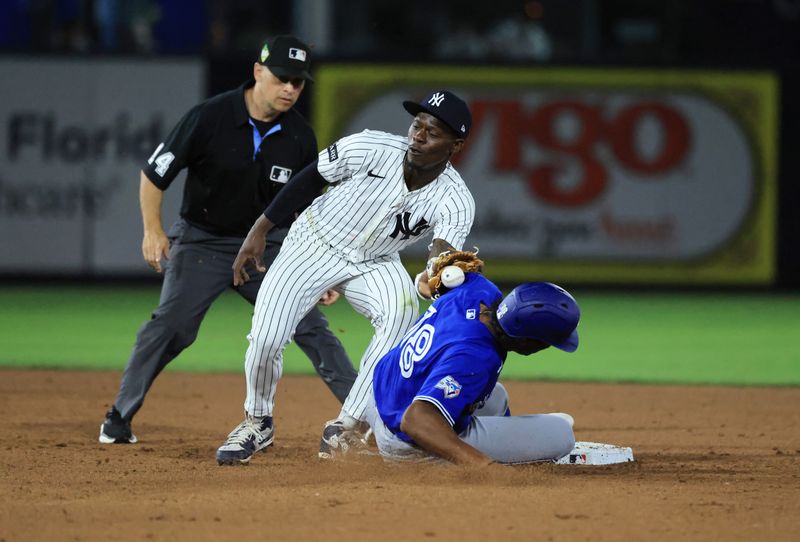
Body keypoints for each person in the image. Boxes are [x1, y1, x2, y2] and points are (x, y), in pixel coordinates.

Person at [99, 35, 357, 445]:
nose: (290, 88)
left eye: (298, 82)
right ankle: (119, 416)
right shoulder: (209, 117)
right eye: (282, 78)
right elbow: (154, 173)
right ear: (258, 72)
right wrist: (152, 229)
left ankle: (365, 417)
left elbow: (310, 211)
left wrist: (320, 269)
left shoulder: (300, 138)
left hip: (267, 249)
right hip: (204, 241)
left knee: (311, 326)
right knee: (173, 326)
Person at [215, 90, 476, 465]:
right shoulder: (370, 145)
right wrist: (260, 229)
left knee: (402, 315)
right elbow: (308, 180)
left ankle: (346, 426)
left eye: (432, 132)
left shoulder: (455, 198)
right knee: (267, 338)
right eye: (417, 125)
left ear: (457, 145)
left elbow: (442, 250)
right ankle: (257, 422)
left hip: (376, 260)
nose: (418, 136)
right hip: (315, 241)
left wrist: (435, 272)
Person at [365, 270, 580, 465]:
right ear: (528, 341)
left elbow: (442, 263)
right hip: (406, 443)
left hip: (381, 398)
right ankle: (495, 458)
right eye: (547, 342)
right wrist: (483, 466)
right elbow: (416, 420)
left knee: (497, 396)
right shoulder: (475, 357)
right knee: (561, 434)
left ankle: (505, 447)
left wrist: (431, 272)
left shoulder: (479, 288)